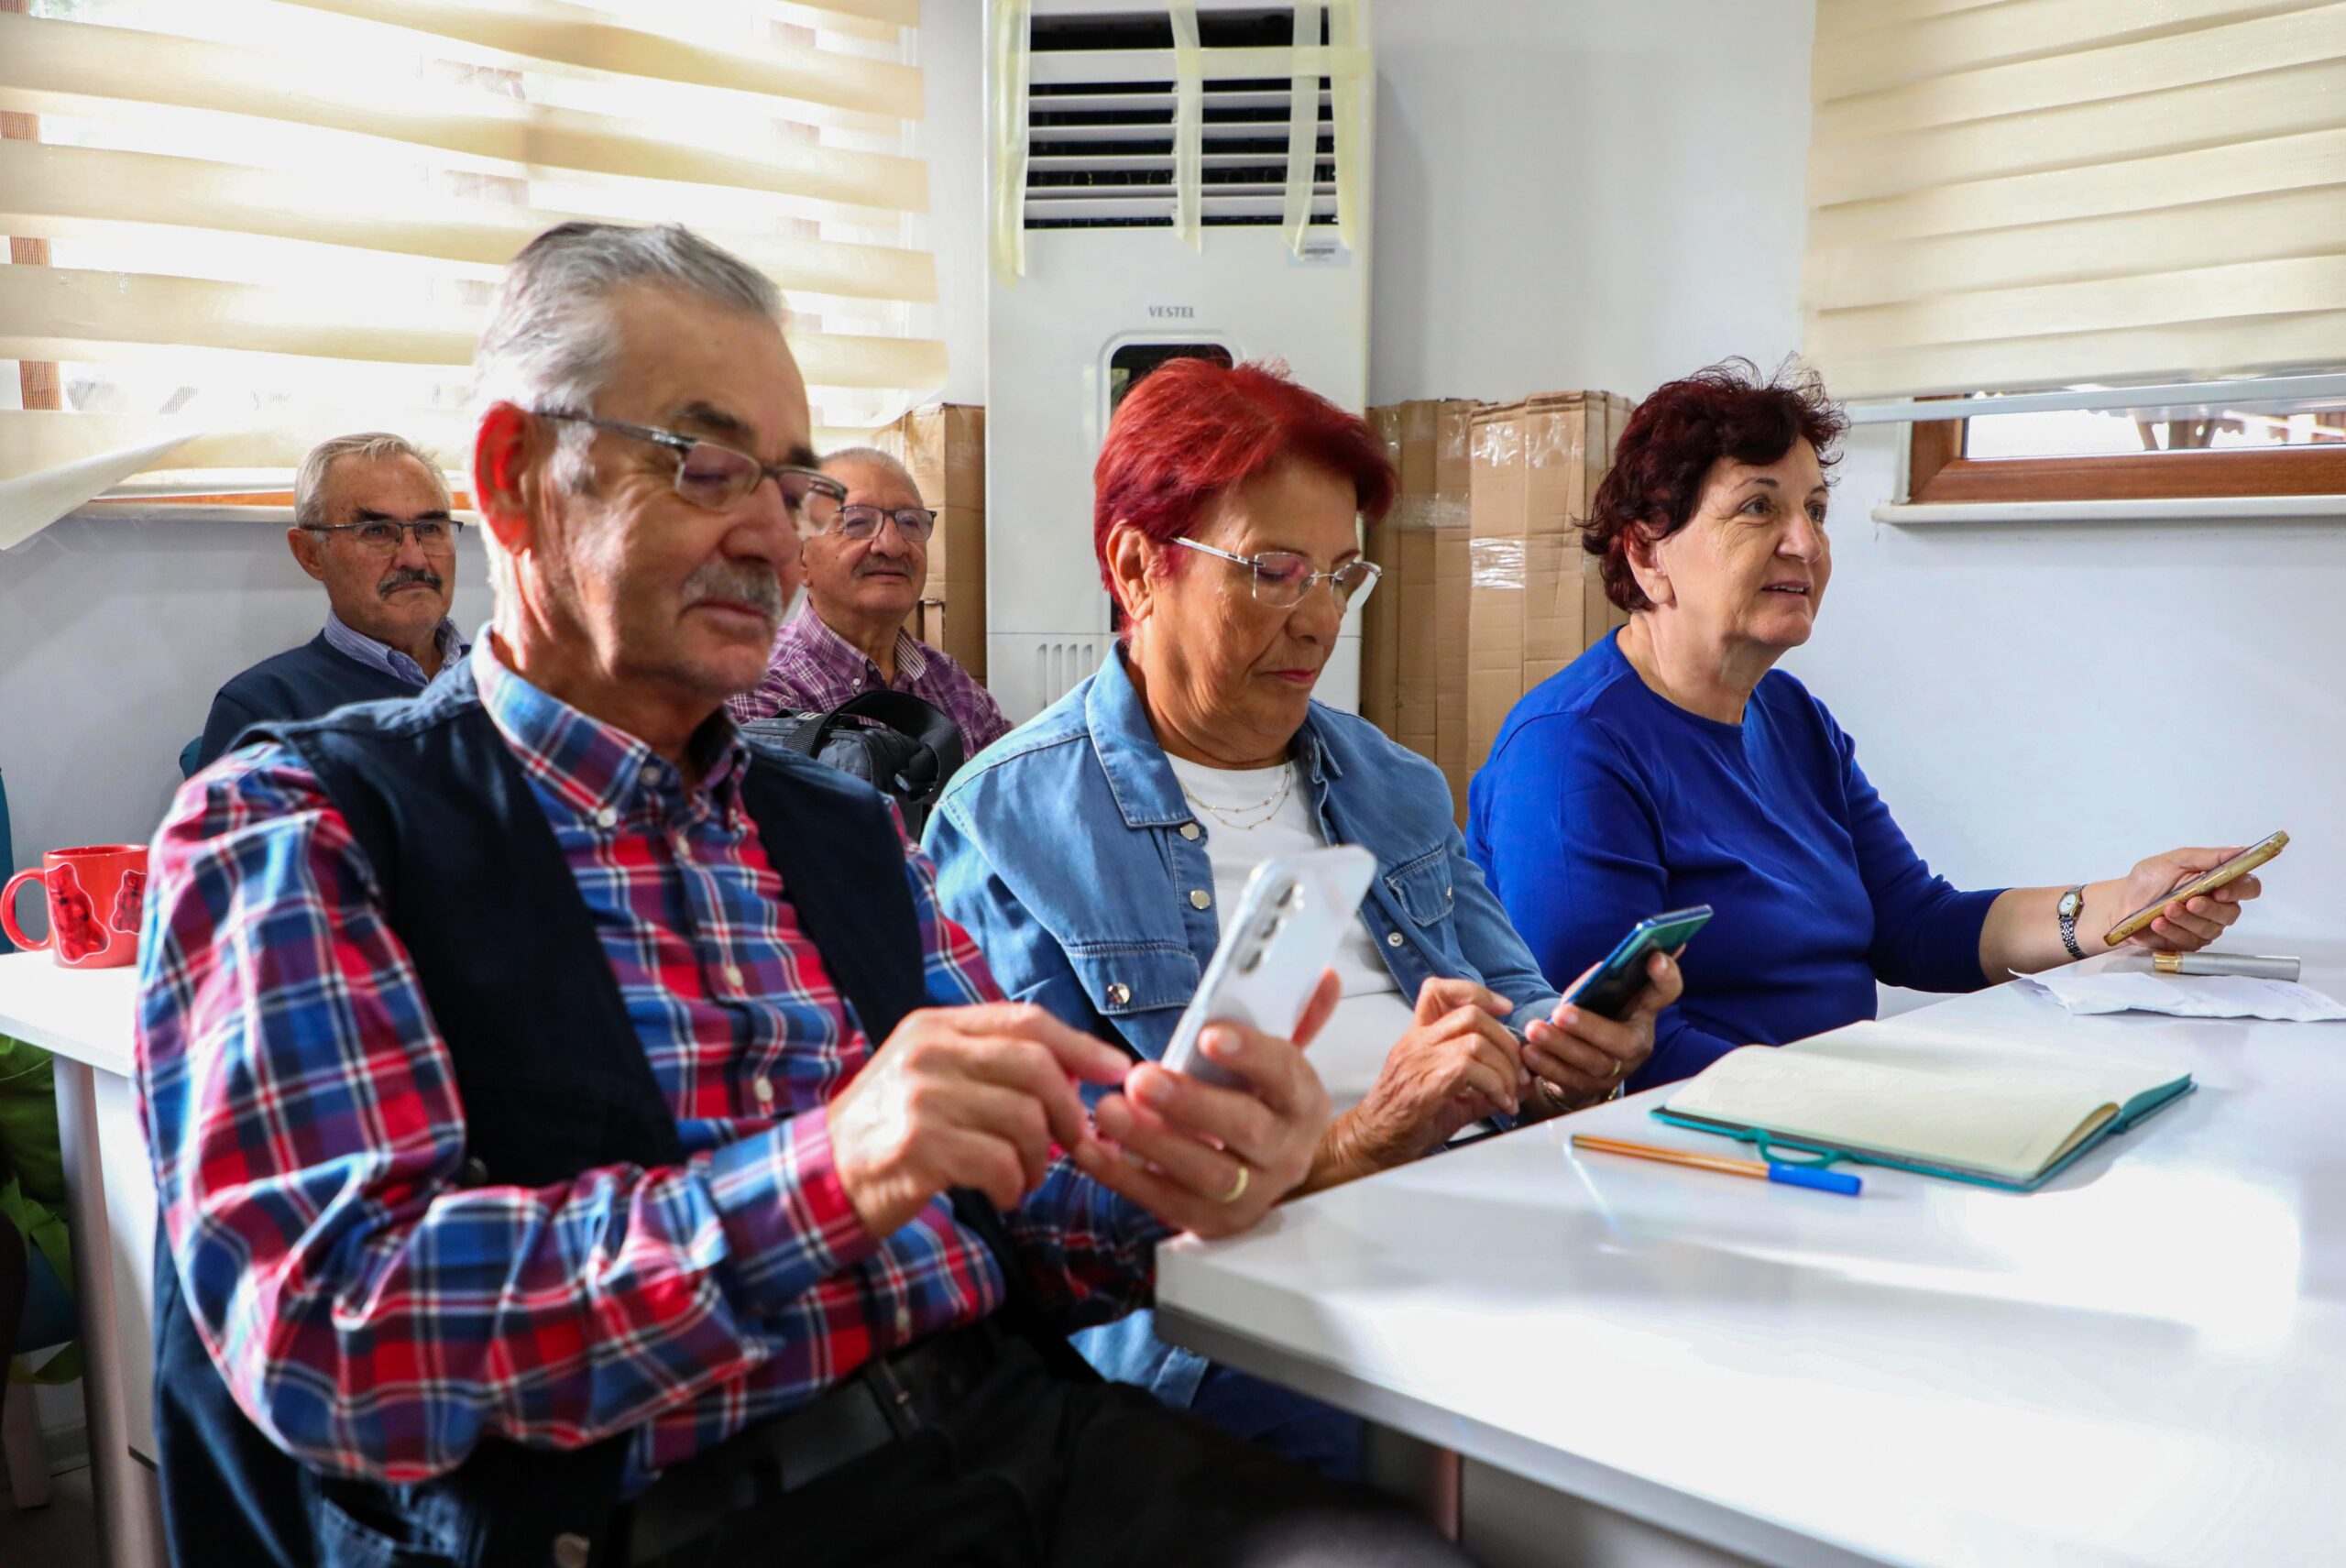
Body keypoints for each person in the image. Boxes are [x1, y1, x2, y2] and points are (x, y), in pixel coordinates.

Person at [137, 222, 1470, 1568]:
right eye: (707, 466)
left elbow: (1045, 1205)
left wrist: (1213, 1164)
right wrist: (829, 1172)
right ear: (518, 476)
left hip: (1010, 1434)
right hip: (670, 1515)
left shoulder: (840, 830)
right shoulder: (302, 824)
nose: (774, 532)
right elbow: (337, 1336)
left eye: (788, 483)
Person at [925, 358, 1679, 1478]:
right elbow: (1062, 1205)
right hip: (1235, 1304)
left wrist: (1572, 1050)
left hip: (1471, 1207)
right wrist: (1365, 1139)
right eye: (1273, 572)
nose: (1319, 617)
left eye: (1341, 576)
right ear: (1137, 567)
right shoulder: (1008, 823)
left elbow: (1517, 996)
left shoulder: (1391, 779)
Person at [1468, 359, 2264, 1091]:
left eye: (1815, 509)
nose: (1805, 542)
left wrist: (2119, 905)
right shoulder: (1570, 751)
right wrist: (1866, 1098)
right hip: (1706, 1150)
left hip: (1817, 1113)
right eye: (1757, 507)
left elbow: (1915, 924)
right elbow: (1607, 1055)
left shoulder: (1793, 718)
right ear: (1648, 555)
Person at [192, 431, 468, 770]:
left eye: (429, 528)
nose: (414, 558)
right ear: (310, 554)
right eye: (377, 531)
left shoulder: (513, 680)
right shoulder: (266, 709)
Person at [730, 446, 1011, 759]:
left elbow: (1020, 789)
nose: (892, 545)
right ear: (799, 558)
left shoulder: (951, 684)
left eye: (909, 523)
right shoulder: (757, 687)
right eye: (857, 522)